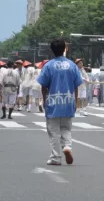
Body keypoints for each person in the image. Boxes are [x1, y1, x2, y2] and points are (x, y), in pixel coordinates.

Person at [37, 38, 83, 166]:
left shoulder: (48, 66)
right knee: (66, 129)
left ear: (52, 50)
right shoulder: (72, 66)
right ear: (64, 49)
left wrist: (45, 101)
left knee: (54, 132)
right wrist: (76, 101)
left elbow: (43, 86)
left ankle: (56, 157)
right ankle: (67, 146)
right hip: (68, 101)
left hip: (53, 102)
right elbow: (76, 85)